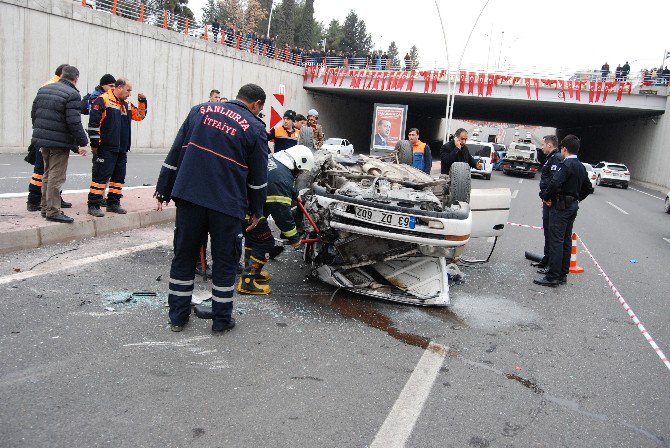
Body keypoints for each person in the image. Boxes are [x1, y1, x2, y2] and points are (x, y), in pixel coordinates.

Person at [154, 83, 269, 334]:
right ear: (256, 105)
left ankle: (177, 317)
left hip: (189, 198)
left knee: (184, 257)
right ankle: (220, 321)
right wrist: (256, 210)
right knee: (225, 262)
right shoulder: (256, 128)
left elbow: (176, 153)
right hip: (226, 205)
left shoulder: (199, 111)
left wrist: (163, 188)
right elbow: (258, 178)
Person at [239, 145, 314, 295]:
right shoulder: (281, 178)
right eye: (300, 171)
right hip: (248, 212)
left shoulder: (276, 162)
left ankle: (252, 271)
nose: (299, 174)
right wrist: (293, 237)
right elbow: (281, 213)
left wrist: (293, 193)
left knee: (253, 240)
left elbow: (277, 181)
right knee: (265, 242)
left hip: (244, 208)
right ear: (297, 163)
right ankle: (247, 282)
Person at [31, 65, 89, 223]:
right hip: (59, 142)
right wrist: (83, 142)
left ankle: (45, 208)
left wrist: (39, 131)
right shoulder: (72, 94)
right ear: (75, 79)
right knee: (56, 177)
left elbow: (34, 113)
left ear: (61, 75)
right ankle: (53, 211)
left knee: (47, 174)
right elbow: (74, 121)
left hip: (42, 139)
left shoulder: (44, 89)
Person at [534, 135, 593, 287]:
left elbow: (554, 184)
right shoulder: (580, 166)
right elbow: (588, 188)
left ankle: (552, 276)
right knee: (566, 240)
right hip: (572, 206)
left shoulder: (565, 164)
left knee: (556, 241)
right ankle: (562, 275)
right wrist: (576, 198)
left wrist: (545, 197)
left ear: (564, 149)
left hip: (560, 207)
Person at [87, 78, 147, 217]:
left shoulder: (126, 103)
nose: (129, 93)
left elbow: (140, 116)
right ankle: (93, 205)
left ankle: (113, 203)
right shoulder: (103, 100)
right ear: (119, 88)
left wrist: (142, 102)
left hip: (121, 148)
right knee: (100, 177)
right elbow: (94, 123)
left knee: (118, 178)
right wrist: (95, 145)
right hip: (106, 147)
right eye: (128, 90)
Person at [27, 64, 74, 212]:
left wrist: (38, 129)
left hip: (42, 134)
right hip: (52, 136)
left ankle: (46, 200)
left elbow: (34, 112)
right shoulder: (57, 87)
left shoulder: (46, 86)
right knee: (46, 171)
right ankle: (37, 201)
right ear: (62, 74)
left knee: (46, 171)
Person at [533, 135, 563, 270]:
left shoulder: (556, 159)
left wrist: (549, 198)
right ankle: (546, 260)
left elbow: (554, 181)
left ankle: (550, 263)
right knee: (547, 233)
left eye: (544, 144)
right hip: (547, 200)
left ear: (550, 145)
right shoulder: (550, 158)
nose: (542, 147)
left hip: (551, 202)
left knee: (551, 234)